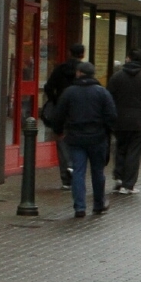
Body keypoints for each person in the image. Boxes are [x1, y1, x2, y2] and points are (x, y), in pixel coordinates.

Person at [47, 62, 115, 218]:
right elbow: (112, 115)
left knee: (78, 171)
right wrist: (106, 131)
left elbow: (58, 115)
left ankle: (79, 207)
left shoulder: (69, 93)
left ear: (79, 73)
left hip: (76, 138)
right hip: (97, 138)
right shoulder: (102, 92)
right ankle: (98, 204)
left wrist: (59, 131)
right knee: (98, 172)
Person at [107, 57, 141, 192]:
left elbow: (108, 98)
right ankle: (128, 184)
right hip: (140, 122)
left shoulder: (117, 77)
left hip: (120, 120)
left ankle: (119, 177)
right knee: (134, 152)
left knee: (120, 149)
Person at [43, 46, 87, 189]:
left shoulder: (60, 69)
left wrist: (56, 101)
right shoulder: (85, 70)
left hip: (62, 111)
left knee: (62, 142)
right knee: (79, 143)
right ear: (83, 54)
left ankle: (66, 177)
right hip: (80, 112)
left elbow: (49, 87)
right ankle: (76, 172)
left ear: (70, 53)